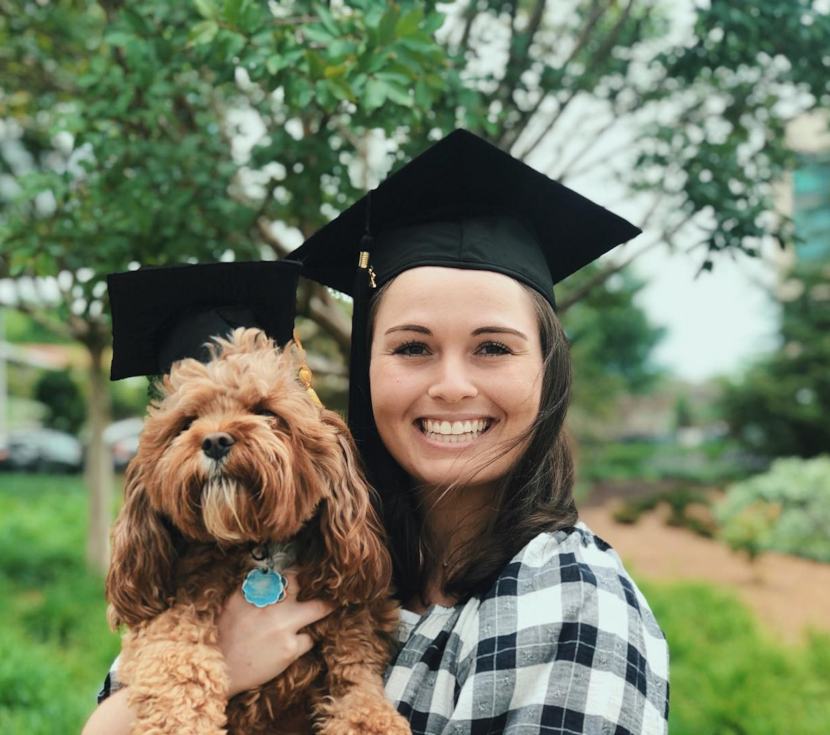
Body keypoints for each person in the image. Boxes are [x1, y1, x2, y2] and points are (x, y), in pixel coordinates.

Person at [84, 130, 669, 734]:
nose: (451, 386)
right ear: (366, 369)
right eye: (412, 347)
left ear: (549, 371)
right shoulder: (333, 546)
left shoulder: (571, 601)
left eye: (493, 348)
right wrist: (223, 666)